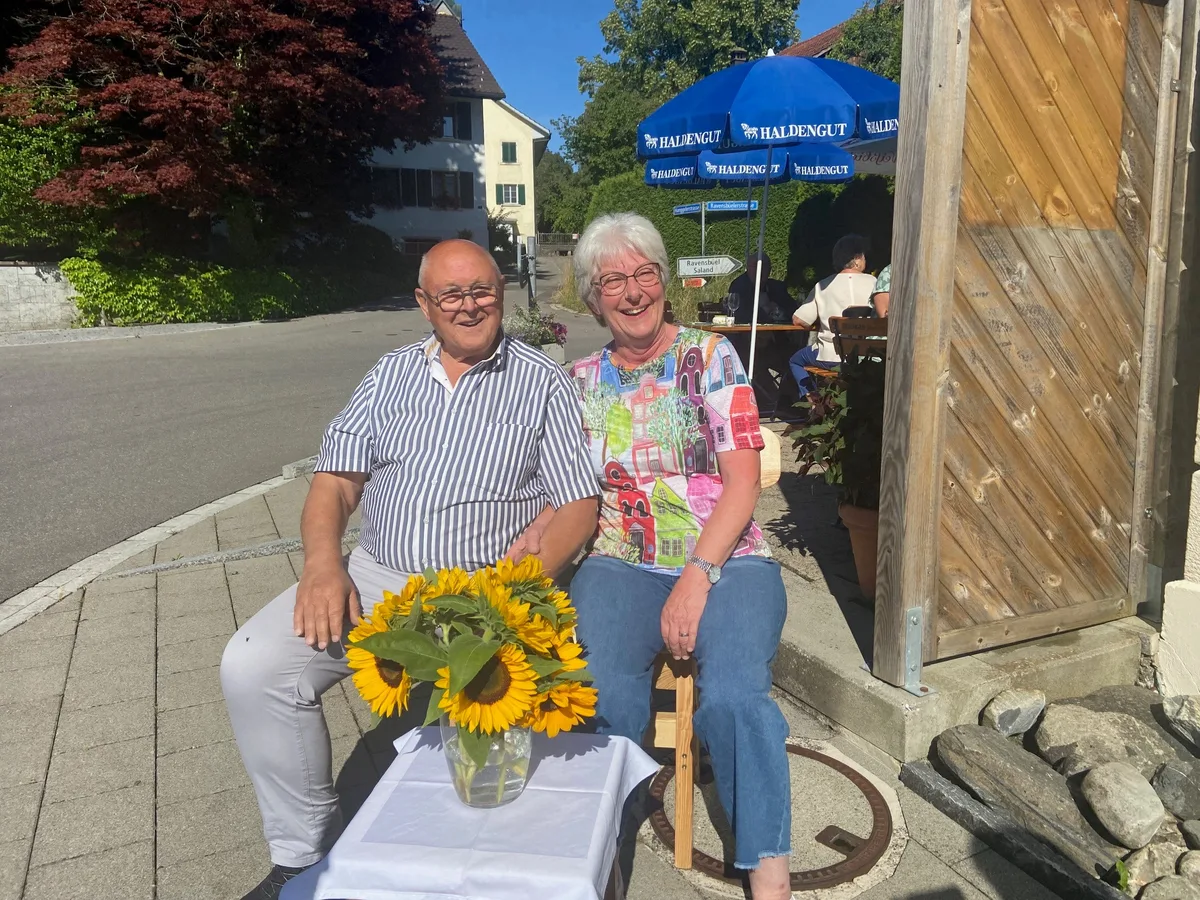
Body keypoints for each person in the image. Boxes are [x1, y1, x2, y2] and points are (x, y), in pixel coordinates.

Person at [220, 239, 600, 900]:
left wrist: (515, 595)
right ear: (424, 303)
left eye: (481, 289)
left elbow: (577, 504)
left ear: (501, 292)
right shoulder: (388, 374)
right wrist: (320, 568)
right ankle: (302, 854)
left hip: (483, 593)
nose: (469, 305)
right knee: (254, 667)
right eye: (451, 294)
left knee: (483, 769)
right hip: (375, 577)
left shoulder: (542, 383)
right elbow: (334, 483)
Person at [521, 212, 793, 900]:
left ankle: (767, 868)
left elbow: (740, 482)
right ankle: (597, 851)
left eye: (644, 273)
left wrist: (697, 579)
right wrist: (537, 532)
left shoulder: (711, 356)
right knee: (599, 694)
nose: (633, 291)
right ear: (592, 298)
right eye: (614, 279)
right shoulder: (577, 382)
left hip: (728, 558)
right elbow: (573, 489)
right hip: (619, 558)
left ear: (664, 281)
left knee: (734, 698)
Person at [789, 234, 877, 396]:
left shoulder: (823, 286)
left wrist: (819, 322)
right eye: (863, 256)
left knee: (796, 361)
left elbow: (798, 320)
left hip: (831, 356)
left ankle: (813, 400)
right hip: (866, 357)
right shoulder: (874, 283)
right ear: (857, 259)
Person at [726, 251, 793, 324]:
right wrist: (766, 309)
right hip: (748, 332)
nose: (759, 270)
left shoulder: (777, 287)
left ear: (770, 269)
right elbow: (741, 315)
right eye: (755, 266)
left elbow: (792, 310)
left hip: (779, 331)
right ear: (748, 268)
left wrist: (779, 310)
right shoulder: (739, 285)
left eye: (764, 266)